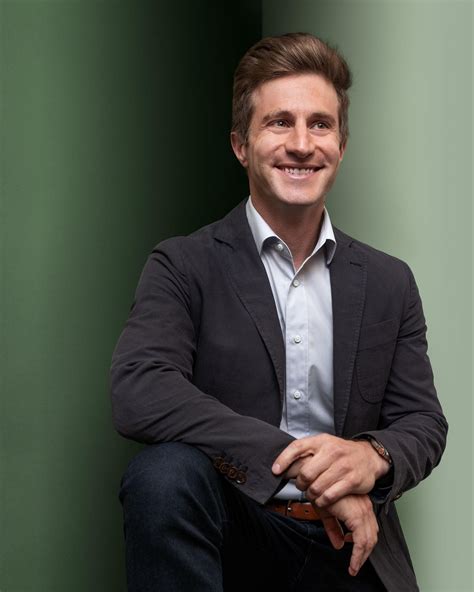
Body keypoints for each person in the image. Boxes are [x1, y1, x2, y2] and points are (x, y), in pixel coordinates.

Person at [110, 33, 447, 592]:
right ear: (241, 145)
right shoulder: (183, 264)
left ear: (341, 145)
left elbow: (423, 422)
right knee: (161, 475)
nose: (301, 144)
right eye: (279, 123)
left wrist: (372, 456)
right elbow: (140, 389)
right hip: (234, 534)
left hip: (350, 546)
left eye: (320, 125)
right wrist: (295, 461)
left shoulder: (390, 281)